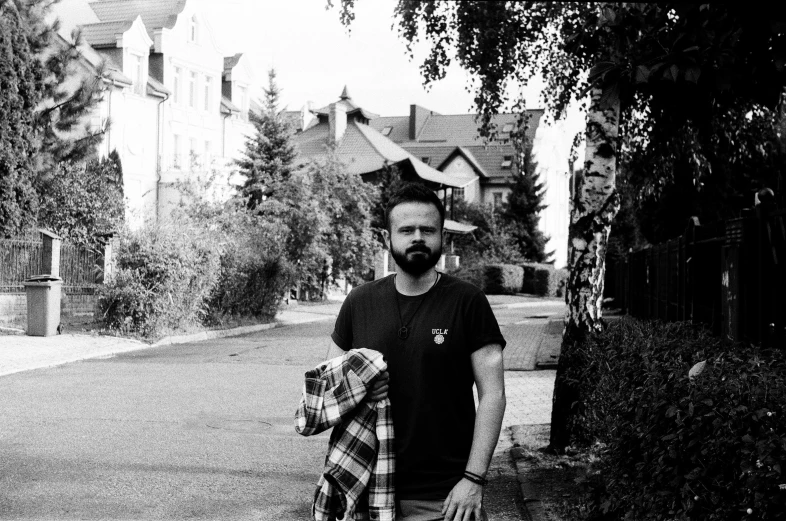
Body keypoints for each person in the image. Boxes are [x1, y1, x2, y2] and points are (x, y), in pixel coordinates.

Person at [326, 183, 506, 521]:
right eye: (407, 229)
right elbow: (326, 388)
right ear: (387, 237)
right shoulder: (358, 302)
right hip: (367, 490)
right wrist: (359, 387)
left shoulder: (468, 302)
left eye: (428, 229)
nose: (418, 237)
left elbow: (493, 395)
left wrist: (474, 479)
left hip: (445, 499)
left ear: (442, 236)